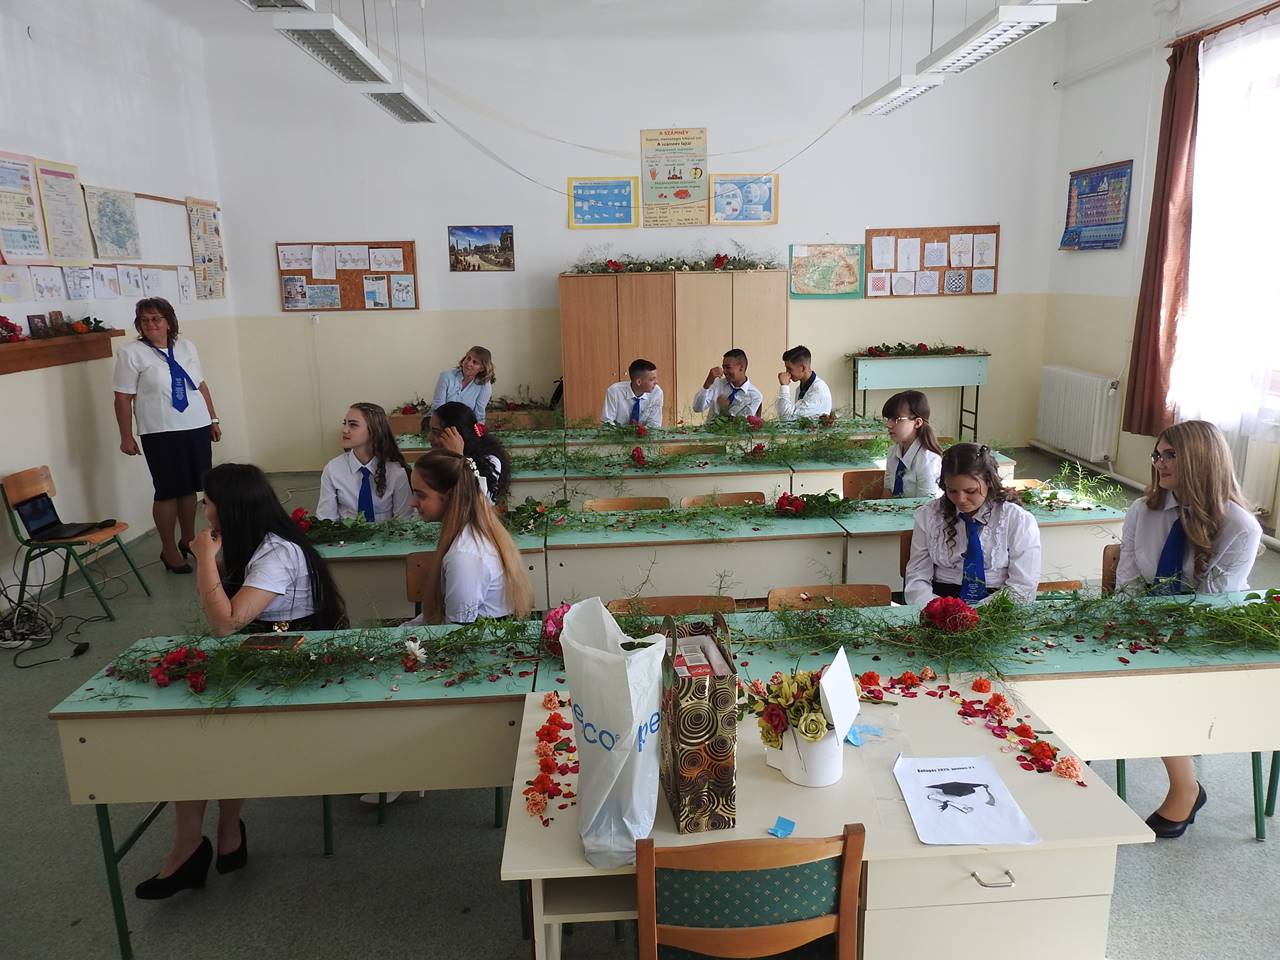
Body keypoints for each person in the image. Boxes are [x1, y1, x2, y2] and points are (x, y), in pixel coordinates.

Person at [135, 463, 347, 900]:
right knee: (203, 727)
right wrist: (213, 557)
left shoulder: (277, 552)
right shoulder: (253, 541)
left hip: (293, 666)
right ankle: (217, 838)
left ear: (229, 507)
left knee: (199, 733)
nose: (203, 509)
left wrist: (203, 558)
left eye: (207, 502)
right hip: (269, 654)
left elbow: (225, 623)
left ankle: (196, 845)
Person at [1116, 419, 1263, 839]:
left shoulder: (1240, 527)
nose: (1159, 463)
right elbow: (1128, 581)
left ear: (1201, 459)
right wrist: (1133, 627)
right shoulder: (1142, 510)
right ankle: (1082, 758)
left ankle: (1186, 787)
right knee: (1104, 676)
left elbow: (1208, 606)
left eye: (1171, 455)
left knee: (1152, 685)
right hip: (1144, 624)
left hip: (1207, 636)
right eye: (1157, 455)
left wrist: (1155, 638)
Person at [113, 298, 222, 574]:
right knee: (167, 490)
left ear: (169, 322)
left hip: (195, 425)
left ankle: (188, 539)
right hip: (161, 431)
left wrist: (213, 418)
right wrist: (126, 436)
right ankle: (168, 548)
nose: (150, 324)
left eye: (156, 319)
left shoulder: (186, 347)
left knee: (190, 487)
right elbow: (122, 397)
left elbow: (200, 385)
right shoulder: (131, 353)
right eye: (144, 320)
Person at [904, 443, 1041, 606]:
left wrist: (975, 612)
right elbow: (917, 577)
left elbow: (1023, 586)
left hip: (999, 604)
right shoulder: (929, 515)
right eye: (952, 491)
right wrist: (938, 608)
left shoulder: (1018, 520)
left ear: (989, 482)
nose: (960, 499)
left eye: (971, 491)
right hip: (940, 601)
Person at [316, 403, 412, 522]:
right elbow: (326, 519)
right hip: (346, 533)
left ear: (374, 430)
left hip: (386, 533)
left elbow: (404, 519)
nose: (345, 430)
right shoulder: (333, 469)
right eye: (345, 423)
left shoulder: (395, 471)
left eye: (353, 425)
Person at [426, 401, 512, 505]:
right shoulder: (436, 460)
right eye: (430, 430)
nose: (429, 437)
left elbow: (479, 504)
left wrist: (457, 458)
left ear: (458, 435)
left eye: (436, 432)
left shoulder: (489, 461)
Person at [882, 390, 944, 498]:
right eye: (888, 419)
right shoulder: (893, 452)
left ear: (917, 422)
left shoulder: (928, 460)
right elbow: (888, 492)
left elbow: (927, 504)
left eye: (896, 419)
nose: (888, 425)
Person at [692, 348, 763, 422]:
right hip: (709, 429)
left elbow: (741, 424)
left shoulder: (755, 396)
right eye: (723, 367)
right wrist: (708, 383)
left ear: (741, 368)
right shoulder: (718, 383)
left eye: (728, 367)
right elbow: (697, 408)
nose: (724, 372)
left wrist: (724, 409)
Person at [432, 346, 495, 423]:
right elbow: (438, 407)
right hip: (440, 421)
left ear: (481, 368)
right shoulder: (446, 376)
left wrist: (477, 430)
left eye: (475, 362)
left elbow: (479, 414)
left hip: (464, 425)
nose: (469, 363)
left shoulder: (484, 386)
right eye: (468, 358)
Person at [602, 359, 664, 427]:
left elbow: (655, 423)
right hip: (617, 432)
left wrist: (642, 431)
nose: (656, 382)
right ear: (639, 382)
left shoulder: (657, 393)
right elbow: (607, 422)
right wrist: (620, 432)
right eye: (652, 379)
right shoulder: (614, 391)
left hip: (645, 433)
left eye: (655, 378)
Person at [775, 345, 832, 419]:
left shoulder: (818, 389)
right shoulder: (800, 388)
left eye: (789, 369)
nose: (787, 372)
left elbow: (788, 418)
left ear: (802, 368)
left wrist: (784, 387)